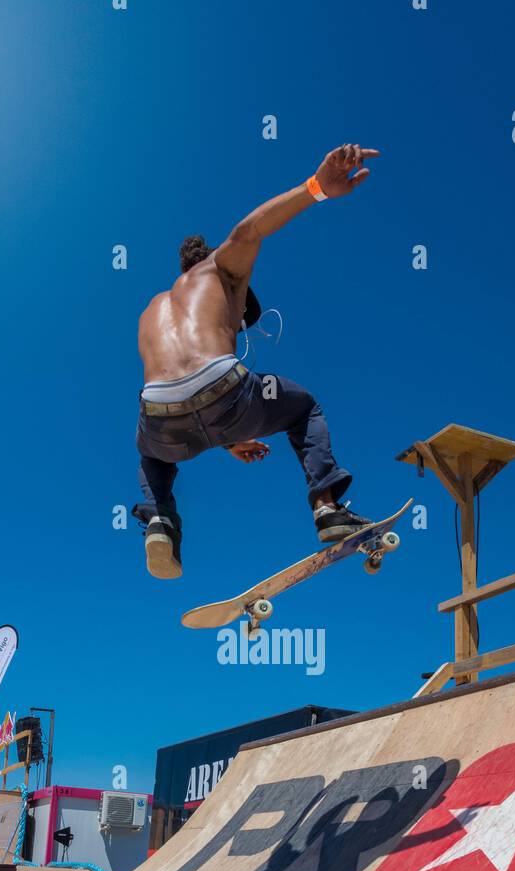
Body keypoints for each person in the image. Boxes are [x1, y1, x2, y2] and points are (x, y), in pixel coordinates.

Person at [132, 143, 380, 578]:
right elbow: (250, 231)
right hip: (224, 387)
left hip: (157, 411)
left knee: (152, 456)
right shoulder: (220, 268)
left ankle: (160, 520)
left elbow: (184, 390)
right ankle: (327, 508)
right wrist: (317, 187)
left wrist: (229, 437)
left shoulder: (151, 308)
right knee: (303, 406)